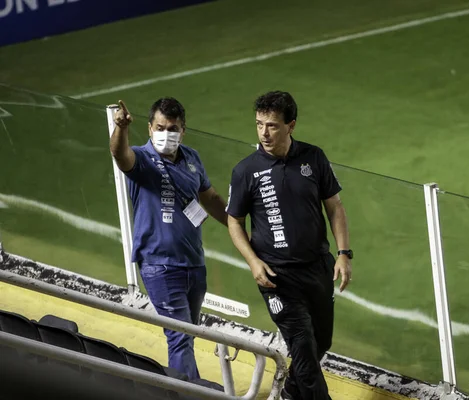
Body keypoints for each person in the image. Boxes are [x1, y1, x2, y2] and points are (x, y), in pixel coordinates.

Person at [226, 91, 353, 400]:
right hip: (277, 276)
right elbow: (234, 222)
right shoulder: (246, 171)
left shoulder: (314, 157)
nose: (264, 133)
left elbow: (334, 207)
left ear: (291, 125)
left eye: (271, 125)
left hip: (317, 266)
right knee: (304, 346)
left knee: (321, 341)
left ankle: (291, 392)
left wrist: (343, 253)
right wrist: (254, 263)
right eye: (259, 125)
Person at [109, 97, 228, 381]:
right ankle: (186, 393)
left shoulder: (192, 158)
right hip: (159, 265)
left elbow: (209, 198)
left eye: (172, 128)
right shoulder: (141, 159)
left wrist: (239, 227)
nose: (165, 134)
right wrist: (122, 129)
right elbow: (119, 154)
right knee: (180, 336)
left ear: (183, 130)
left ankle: (190, 385)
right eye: (160, 127)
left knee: (187, 334)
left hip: (194, 263)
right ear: (149, 128)